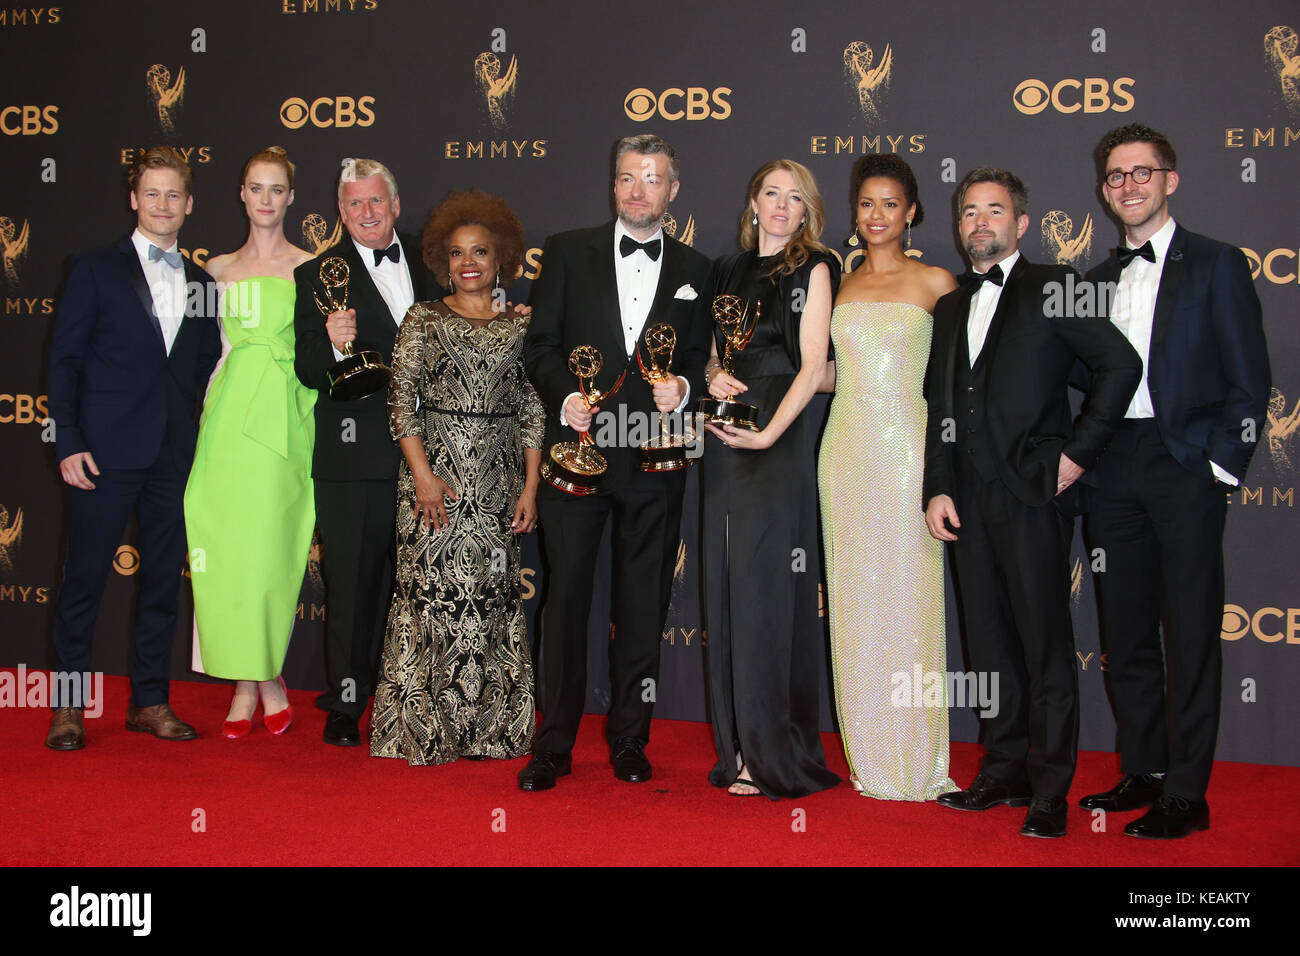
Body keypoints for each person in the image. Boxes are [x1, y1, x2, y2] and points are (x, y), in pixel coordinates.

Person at [922, 167, 1141, 837]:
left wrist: (1076, 455)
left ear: (1020, 223)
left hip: (1033, 493)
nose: (980, 221)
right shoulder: (951, 305)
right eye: (968, 211)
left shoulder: (1055, 287)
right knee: (988, 644)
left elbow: (1120, 366)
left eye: (995, 210)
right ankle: (1003, 771)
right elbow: (937, 405)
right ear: (958, 227)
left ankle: (1050, 787)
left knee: (1045, 645)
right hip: (968, 498)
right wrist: (937, 484)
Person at [1077, 124, 1270, 839]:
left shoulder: (1217, 265)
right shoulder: (1091, 284)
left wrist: (1218, 469)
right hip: (1111, 466)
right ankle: (1145, 770)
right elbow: (1074, 381)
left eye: (1142, 172)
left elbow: (1251, 383)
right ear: (1103, 190)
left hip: (1185, 463)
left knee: (1188, 632)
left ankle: (1187, 793)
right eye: (1117, 175)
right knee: (1125, 633)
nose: (1129, 185)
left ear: (1170, 179)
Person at [520, 134, 712, 791]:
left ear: (673, 190)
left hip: (659, 454)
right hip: (579, 450)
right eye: (628, 177)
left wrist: (684, 391)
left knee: (643, 603)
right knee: (565, 599)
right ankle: (553, 744)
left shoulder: (700, 268)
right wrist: (565, 394)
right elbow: (540, 345)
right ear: (614, 185)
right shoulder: (569, 251)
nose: (638, 190)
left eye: (652, 178)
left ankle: (631, 739)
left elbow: (702, 365)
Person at [45, 146, 221, 749]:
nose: (163, 204)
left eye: (174, 194)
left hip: (172, 457)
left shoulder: (202, 284)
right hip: (103, 455)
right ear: (133, 200)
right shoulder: (94, 268)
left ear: (190, 204)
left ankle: (149, 700)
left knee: (160, 588)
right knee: (84, 582)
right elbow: (64, 361)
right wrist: (68, 440)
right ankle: (68, 707)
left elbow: (197, 369)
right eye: (152, 193)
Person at [370, 190, 544, 764]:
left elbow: (531, 408)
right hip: (434, 482)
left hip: (496, 483)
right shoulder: (423, 318)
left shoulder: (521, 328)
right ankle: (424, 731)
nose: (469, 262)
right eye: (457, 253)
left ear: (502, 261)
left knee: (491, 599)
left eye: (481, 252)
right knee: (429, 597)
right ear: (444, 262)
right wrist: (421, 474)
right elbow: (401, 401)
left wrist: (529, 485)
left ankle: (490, 730)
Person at [701, 159, 841, 798]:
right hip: (726, 437)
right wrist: (711, 378)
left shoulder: (815, 267)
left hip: (776, 439)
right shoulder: (728, 269)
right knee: (726, 587)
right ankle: (736, 750)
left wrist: (767, 435)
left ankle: (772, 752)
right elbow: (715, 351)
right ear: (753, 201)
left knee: (763, 595)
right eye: (770, 193)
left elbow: (814, 368)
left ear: (807, 210)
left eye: (794, 197)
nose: (781, 206)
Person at [819, 154, 958, 801]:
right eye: (866, 204)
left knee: (910, 605)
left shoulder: (936, 283)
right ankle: (870, 757)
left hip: (908, 456)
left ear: (911, 212)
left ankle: (918, 759)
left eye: (890, 204)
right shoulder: (839, 284)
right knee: (854, 602)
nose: (877, 215)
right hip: (844, 452)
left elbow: (959, 384)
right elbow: (827, 374)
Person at [294, 158, 440, 746]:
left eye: (376, 201)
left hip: (433, 458)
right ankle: (347, 705)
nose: (367, 213)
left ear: (396, 205)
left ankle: (426, 700)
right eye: (354, 204)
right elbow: (307, 370)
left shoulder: (435, 262)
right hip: (354, 464)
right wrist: (331, 344)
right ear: (340, 212)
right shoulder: (316, 274)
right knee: (352, 590)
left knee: (430, 585)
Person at [184, 146, 315, 738]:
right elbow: (202, 354)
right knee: (228, 544)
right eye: (255, 188)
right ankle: (250, 683)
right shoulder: (215, 269)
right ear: (241, 194)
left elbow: (324, 351)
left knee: (271, 547)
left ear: (290, 197)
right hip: (228, 414)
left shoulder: (313, 266)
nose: (265, 199)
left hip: (285, 413)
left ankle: (263, 675)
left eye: (276, 189)